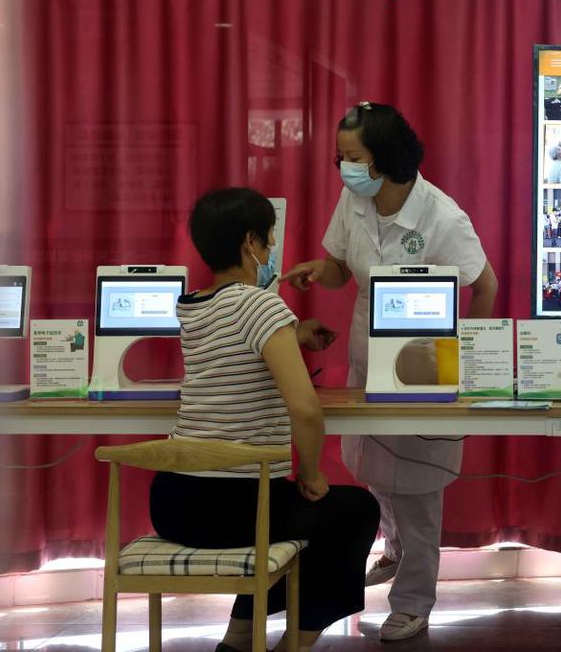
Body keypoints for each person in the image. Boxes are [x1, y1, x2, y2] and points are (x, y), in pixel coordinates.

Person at [283, 102, 498, 642]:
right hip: (369, 357)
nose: (344, 167)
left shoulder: (442, 217)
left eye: (353, 157)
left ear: (385, 158)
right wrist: (320, 270)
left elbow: (486, 285)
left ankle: (414, 600)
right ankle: (395, 548)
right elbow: (341, 267)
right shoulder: (355, 199)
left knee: (419, 486)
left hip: (425, 365)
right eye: (340, 157)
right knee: (375, 468)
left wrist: (466, 357)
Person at [151, 188, 379, 652]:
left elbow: (234, 343)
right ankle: (294, 643)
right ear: (250, 242)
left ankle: (238, 639)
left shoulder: (191, 305)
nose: (273, 247)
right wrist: (311, 473)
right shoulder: (261, 305)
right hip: (233, 506)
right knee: (353, 511)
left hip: (173, 501)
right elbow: (306, 410)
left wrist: (293, 334)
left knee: (293, 517)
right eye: (269, 237)